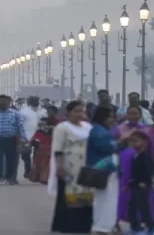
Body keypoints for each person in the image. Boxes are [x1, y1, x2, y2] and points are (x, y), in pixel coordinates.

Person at [48, 100, 93, 234]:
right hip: (68, 167)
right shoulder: (62, 128)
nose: (79, 114)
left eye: (82, 111)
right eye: (76, 111)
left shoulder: (87, 127)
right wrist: (59, 166)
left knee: (85, 195)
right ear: (68, 112)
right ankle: (66, 225)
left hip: (85, 166)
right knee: (67, 196)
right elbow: (58, 149)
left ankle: (84, 224)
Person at [87, 106, 119, 235]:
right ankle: (103, 226)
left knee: (104, 199)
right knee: (106, 199)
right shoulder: (98, 131)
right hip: (103, 169)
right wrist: (120, 142)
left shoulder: (102, 129)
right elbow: (107, 147)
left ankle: (103, 225)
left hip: (104, 168)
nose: (113, 120)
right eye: (110, 117)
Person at [18, 96, 47, 180]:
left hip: (40, 137)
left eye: (36, 101)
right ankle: (27, 170)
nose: (35, 102)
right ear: (29, 102)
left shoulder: (43, 111)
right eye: (33, 101)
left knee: (37, 155)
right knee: (25, 155)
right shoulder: (24, 112)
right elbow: (20, 125)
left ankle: (35, 172)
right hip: (27, 136)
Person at [27, 116, 55, 185]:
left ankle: (41, 178)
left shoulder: (39, 132)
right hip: (47, 149)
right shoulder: (52, 131)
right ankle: (44, 178)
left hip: (41, 149)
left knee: (39, 164)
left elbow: (32, 141)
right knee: (46, 164)